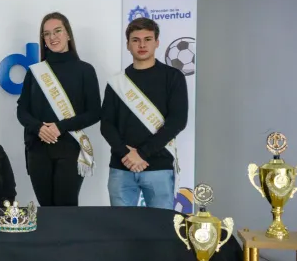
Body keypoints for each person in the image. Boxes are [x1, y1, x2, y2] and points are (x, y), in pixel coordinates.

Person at [101, 17, 188, 209]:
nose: (142, 45)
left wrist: (141, 154)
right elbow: (106, 125)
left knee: (161, 225)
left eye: (147, 39)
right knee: (121, 225)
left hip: (159, 167)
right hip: (121, 167)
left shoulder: (173, 77)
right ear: (128, 45)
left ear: (157, 42)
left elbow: (177, 121)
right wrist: (126, 154)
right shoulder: (117, 83)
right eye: (136, 40)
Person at [16, 12, 101, 207]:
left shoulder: (85, 70)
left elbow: (94, 112)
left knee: (66, 210)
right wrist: (38, 128)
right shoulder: (35, 72)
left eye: (57, 31)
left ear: (68, 34)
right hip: (38, 149)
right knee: (45, 211)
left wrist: (60, 127)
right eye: (47, 34)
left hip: (70, 148)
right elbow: (22, 110)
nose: (52, 37)